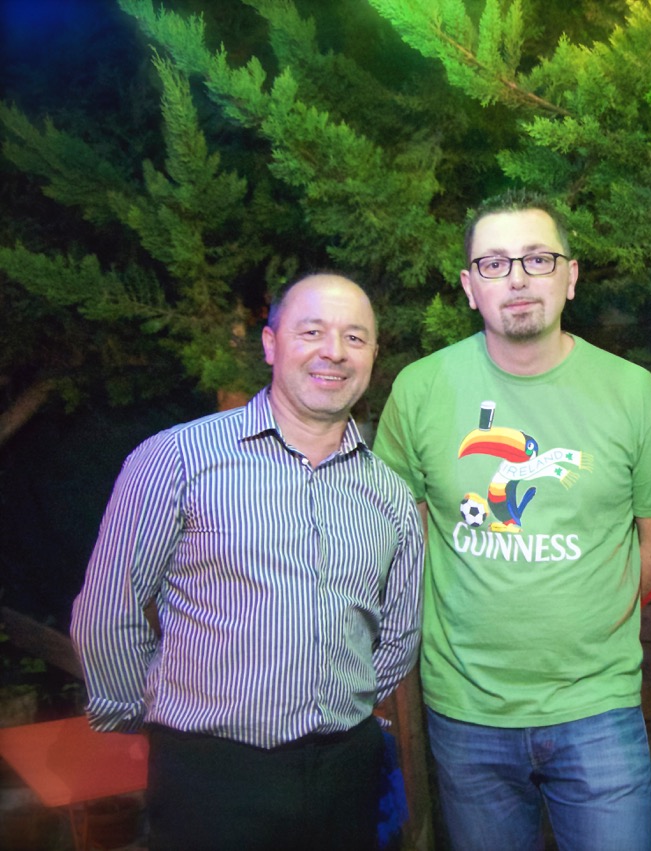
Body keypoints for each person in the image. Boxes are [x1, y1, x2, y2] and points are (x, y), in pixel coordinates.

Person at [373, 189, 651, 851]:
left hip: (596, 706)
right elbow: (401, 531)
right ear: (468, 287)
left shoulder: (632, 391)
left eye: (538, 259)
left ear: (571, 276)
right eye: (494, 263)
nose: (517, 278)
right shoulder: (421, 390)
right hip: (466, 711)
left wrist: (590, 609)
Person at [70, 274, 425, 851]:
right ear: (270, 343)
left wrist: (345, 706)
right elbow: (109, 610)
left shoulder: (389, 495)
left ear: (373, 356)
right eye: (312, 331)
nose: (334, 351)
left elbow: (398, 635)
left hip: (346, 773)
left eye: (354, 338)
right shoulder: (177, 459)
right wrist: (152, 720)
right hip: (212, 778)